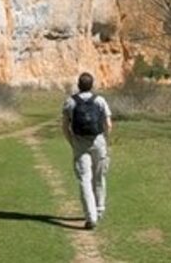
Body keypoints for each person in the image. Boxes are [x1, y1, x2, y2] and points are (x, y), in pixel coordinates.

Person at [61, 71, 113, 230]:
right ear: (92, 85)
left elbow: (64, 126)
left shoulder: (70, 102)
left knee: (84, 178)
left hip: (79, 143)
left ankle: (90, 217)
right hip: (98, 141)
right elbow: (108, 125)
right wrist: (104, 140)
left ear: (78, 85)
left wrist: (72, 142)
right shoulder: (99, 100)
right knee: (99, 176)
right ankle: (99, 209)